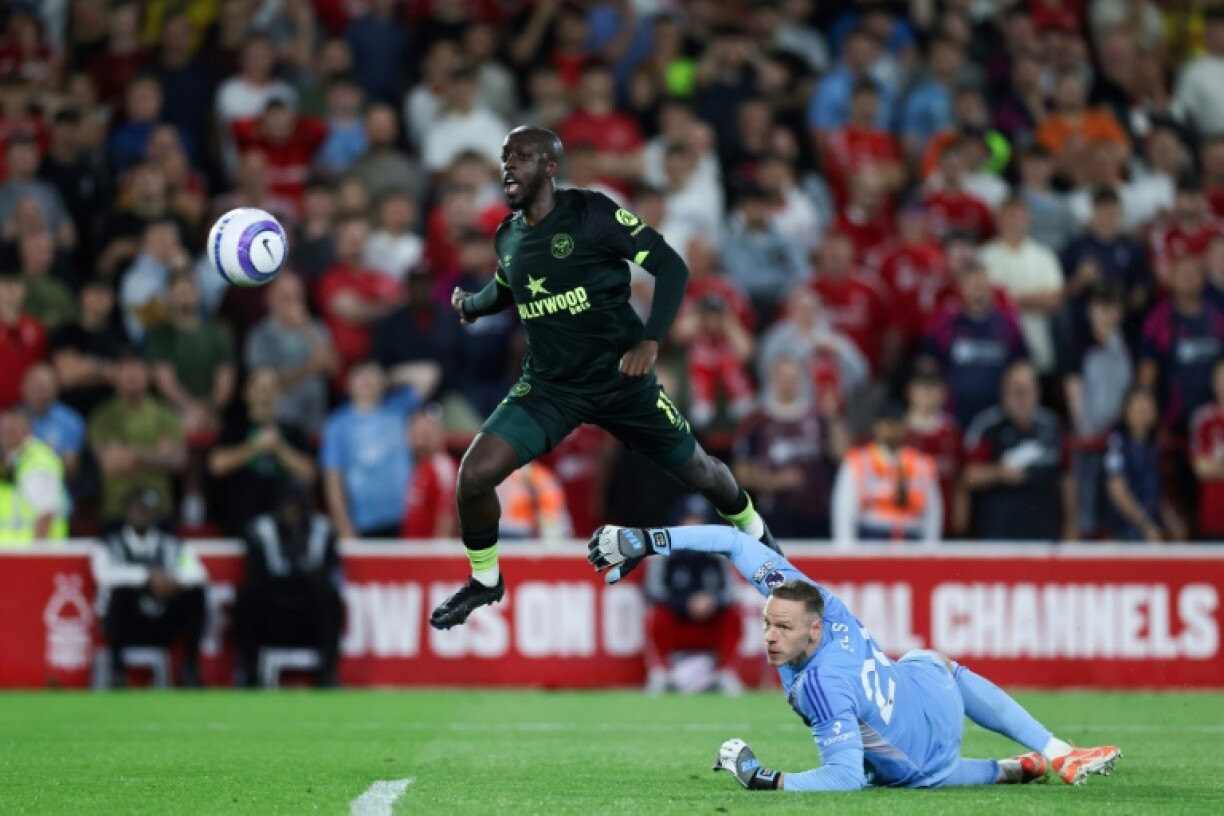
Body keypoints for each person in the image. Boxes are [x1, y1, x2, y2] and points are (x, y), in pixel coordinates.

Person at [432, 126, 779, 630]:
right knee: (474, 475)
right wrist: (471, 305)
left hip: (621, 379)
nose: (510, 166)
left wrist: (651, 341)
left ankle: (759, 535)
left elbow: (671, 266)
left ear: (551, 167)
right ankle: (486, 582)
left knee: (701, 472)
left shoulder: (591, 212)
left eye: (523, 157)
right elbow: (507, 286)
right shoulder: (508, 234)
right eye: (506, 157)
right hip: (551, 387)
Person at [587, 524, 1123, 790]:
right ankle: (1047, 754)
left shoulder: (818, 685)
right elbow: (731, 539)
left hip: (920, 766)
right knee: (933, 661)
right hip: (928, 696)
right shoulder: (814, 598)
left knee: (883, 770)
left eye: (783, 629)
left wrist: (760, 777)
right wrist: (646, 539)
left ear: (813, 632)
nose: (770, 637)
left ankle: (1017, 766)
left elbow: (842, 779)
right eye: (767, 623)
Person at [91, 488, 207, 688]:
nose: (141, 514)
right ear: (126, 512)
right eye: (136, 508)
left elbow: (199, 573)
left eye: (146, 509)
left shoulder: (172, 544)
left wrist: (173, 581)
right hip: (127, 624)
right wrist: (147, 576)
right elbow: (104, 575)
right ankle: (117, 670)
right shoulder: (108, 544)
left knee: (194, 594)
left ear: (156, 514)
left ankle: (190, 667)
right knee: (120, 594)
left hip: (162, 621)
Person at [234, 480, 343, 689]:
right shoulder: (260, 531)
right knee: (248, 595)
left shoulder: (323, 530)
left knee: (329, 595)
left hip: (310, 617)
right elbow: (255, 576)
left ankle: (328, 673)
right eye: (288, 506)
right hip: (273, 617)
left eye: (298, 506)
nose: (293, 513)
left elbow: (332, 575)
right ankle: (249, 672)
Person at [963, 361, 1074, 542]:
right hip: (998, 534)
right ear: (1004, 392)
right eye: (1015, 390)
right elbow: (968, 477)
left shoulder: (1053, 426)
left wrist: (1071, 526)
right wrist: (998, 473)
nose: (1020, 396)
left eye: (1026, 389)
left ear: (1037, 393)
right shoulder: (988, 426)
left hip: (1044, 534)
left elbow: (1068, 480)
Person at [643, 495, 741, 695]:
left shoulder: (719, 554)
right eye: (689, 520)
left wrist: (711, 602)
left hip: (709, 623)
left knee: (734, 615)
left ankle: (725, 673)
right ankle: (661, 673)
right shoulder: (664, 553)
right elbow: (653, 591)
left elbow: (731, 593)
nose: (694, 527)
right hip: (678, 623)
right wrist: (686, 603)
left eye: (700, 521)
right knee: (656, 614)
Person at [208, 368, 317, 536]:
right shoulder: (234, 428)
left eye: (271, 389)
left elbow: (309, 474)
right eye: (260, 388)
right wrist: (254, 447)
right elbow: (216, 464)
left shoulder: (292, 431)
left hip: (283, 528)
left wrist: (280, 448)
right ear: (247, 393)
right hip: (240, 523)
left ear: (279, 394)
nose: (265, 394)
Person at [88, 351, 186, 527]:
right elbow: (109, 463)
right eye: (125, 371)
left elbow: (177, 461)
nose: (131, 376)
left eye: (137, 371)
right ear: (116, 376)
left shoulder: (165, 414)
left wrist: (130, 455)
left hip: (159, 510)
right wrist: (155, 455)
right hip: (116, 511)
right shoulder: (103, 416)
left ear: (149, 375)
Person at [320, 362, 414, 539]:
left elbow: (429, 374)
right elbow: (333, 478)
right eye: (361, 376)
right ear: (349, 384)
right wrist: (344, 527)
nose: (367, 381)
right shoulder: (338, 424)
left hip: (405, 519)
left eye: (372, 376)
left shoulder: (397, 410)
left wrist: (390, 377)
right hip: (364, 522)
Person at [831, 403, 942, 546]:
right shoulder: (858, 461)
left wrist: (931, 548)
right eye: (885, 425)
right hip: (872, 535)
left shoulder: (921, 464)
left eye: (895, 425)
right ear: (875, 427)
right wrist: (846, 547)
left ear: (904, 428)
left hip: (911, 536)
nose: (890, 431)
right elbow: (844, 508)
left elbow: (932, 510)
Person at [1103, 388, 1186, 543]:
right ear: (1127, 411)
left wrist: (1172, 520)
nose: (1144, 413)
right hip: (1126, 533)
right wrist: (1145, 525)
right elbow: (1117, 489)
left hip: (1152, 531)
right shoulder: (1118, 443)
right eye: (1140, 408)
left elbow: (1156, 493)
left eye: (1148, 407)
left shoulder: (1153, 447)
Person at [0, 405, 69, 542]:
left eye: (11, 430)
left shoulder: (38, 462)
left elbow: (45, 514)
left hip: (29, 555)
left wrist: (37, 556)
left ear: (26, 430)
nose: (5, 436)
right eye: (3, 431)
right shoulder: (12, 459)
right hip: (10, 555)